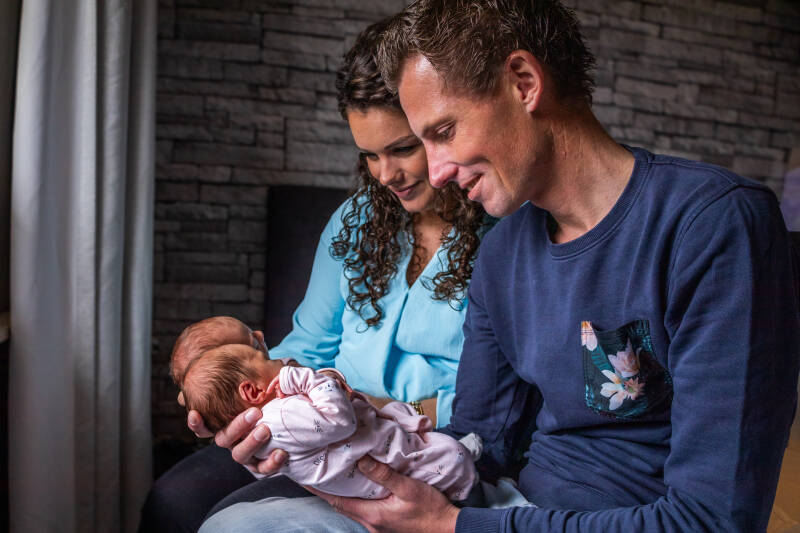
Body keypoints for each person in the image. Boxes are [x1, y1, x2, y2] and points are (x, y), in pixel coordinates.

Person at [201, 1, 800, 532]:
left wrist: (453, 526)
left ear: (523, 83)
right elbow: (481, 446)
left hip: (606, 518)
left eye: (443, 132)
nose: (436, 172)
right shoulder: (503, 249)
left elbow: (712, 519)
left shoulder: (714, 224)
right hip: (499, 503)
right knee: (237, 525)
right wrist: (316, 438)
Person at [138, 17, 490, 532]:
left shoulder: (499, 232)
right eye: (369, 155)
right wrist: (234, 389)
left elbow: (500, 398)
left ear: (440, 128)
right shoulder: (356, 221)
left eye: (401, 149)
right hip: (317, 421)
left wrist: (383, 407)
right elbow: (309, 345)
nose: (385, 175)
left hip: (418, 439)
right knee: (173, 501)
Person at [181, 343, 480, 501]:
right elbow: (340, 421)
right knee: (449, 455)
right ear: (253, 391)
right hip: (384, 458)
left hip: (369, 453)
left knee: (404, 424)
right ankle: (472, 489)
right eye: (269, 360)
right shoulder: (283, 414)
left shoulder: (272, 419)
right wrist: (308, 377)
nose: (282, 362)